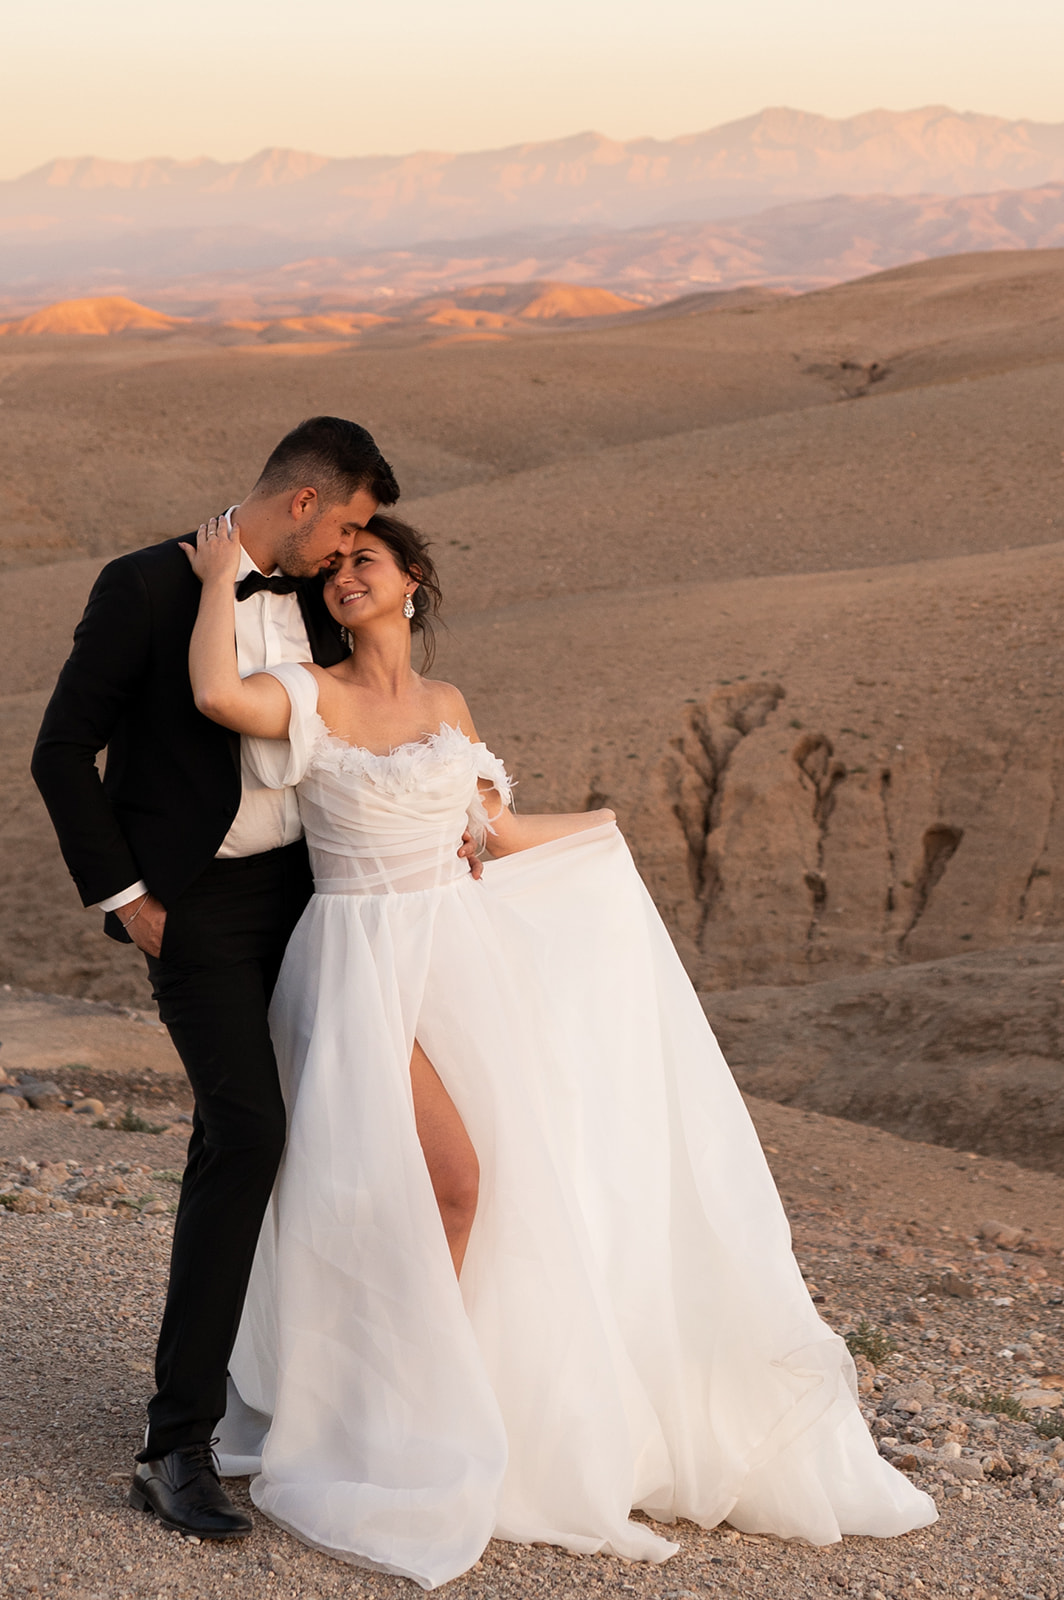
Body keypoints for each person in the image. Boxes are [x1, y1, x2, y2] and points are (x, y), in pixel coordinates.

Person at [178, 509, 937, 1588]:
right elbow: (218, 696)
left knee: (516, 1186)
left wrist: (605, 832)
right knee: (443, 1184)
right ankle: (382, 1412)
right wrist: (219, 576)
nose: (344, 576)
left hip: (457, 960)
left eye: (365, 561)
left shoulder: (446, 705)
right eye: (334, 565)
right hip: (354, 968)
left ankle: (440, 1397)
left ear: (411, 580)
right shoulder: (311, 689)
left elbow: (490, 830)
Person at [30, 417, 480, 1540]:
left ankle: (340, 1402)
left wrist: (453, 822)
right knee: (246, 1136)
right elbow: (60, 750)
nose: (346, 555)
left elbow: (371, 725)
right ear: (306, 501)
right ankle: (173, 1444)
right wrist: (129, 900)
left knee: (363, 1142)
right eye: (348, 527)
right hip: (201, 916)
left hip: (320, 903)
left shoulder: (325, 610)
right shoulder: (143, 586)